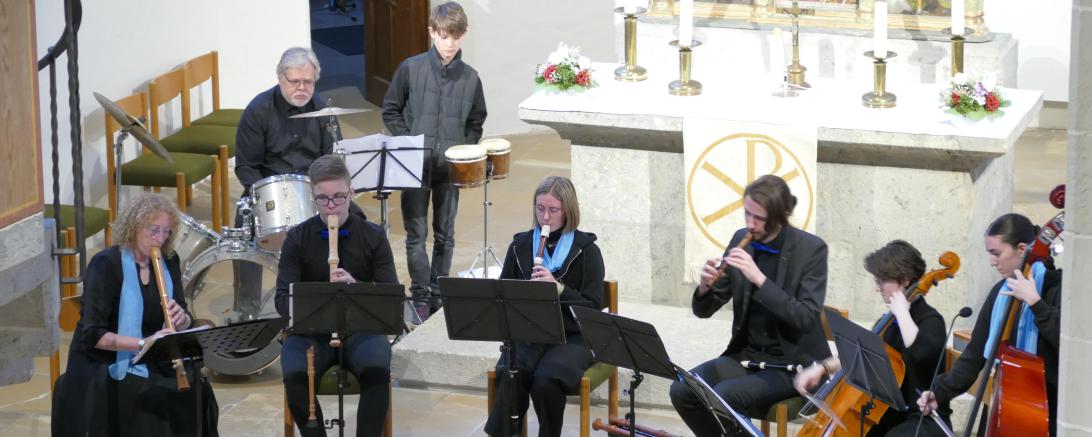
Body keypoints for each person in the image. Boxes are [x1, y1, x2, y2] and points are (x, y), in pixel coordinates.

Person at [668, 174, 830, 436]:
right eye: (747, 214)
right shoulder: (740, 239)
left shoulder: (811, 250)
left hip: (794, 366)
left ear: (779, 217)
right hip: (748, 356)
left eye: (759, 218)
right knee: (683, 390)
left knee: (725, 396)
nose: (750, 224)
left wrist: (759, 279)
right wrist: (705, 287)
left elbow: (806, 318)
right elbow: (704, 310)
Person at [51, 193, 218, 437]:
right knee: (151, 397)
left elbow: (182, 311)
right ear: (134, 227)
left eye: (167, 232)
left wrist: (183, 319)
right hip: (104, 359)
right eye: (154, 230)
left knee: (195, 387)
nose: (160, 238)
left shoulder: (169, 260)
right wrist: (142, 344)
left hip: (152, 351)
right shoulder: (105, 265)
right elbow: (93, 335)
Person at [233, 46, 364, 319]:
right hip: (269, 192)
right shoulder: (258, 110)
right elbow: (246, 166)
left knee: (357, 219)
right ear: (280, 78)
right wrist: (266, 197)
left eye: (308, 81)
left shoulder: (324, 111)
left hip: (314, 192)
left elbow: (333, 161)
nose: (302, 88)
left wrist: (326, 192)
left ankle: (348, 295)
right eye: (295, 81)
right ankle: (247, 309)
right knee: (243, 226)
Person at [276, 155, 398, 437]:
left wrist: (354, 287)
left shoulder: (373, 236)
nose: (331, 205)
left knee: (377, 372)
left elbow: (391, 296)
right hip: (310, 332)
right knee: (295, 376)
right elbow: (282, 300)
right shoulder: (297, 238)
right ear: (313, 197)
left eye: (339, 197)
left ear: (351, 192)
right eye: (323, 199)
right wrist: (316, 297)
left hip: (361, 330)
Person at [381, 0, 487, 321]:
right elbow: (391, 109)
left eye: (455, 36)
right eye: (443, 36)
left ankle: (439, 293)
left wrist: (463, 150)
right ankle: (420, 295)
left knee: (445, 234)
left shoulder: (471, 78)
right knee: (416, 235)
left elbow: (476, 120)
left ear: (464, 34)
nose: (449, 43)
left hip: (448, 170)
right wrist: (408, 141)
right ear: (431, 31)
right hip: (414, 166)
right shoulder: (410, 68)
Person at [917, 213, 1062, 437]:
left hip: (1050, 411)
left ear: (1022, 249)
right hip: (1005, 404)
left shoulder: (1057, 288)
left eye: (997, 253)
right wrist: (940, 393)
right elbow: (973, 356)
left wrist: (1036, 303)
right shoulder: (1000, 292)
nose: (992, 262)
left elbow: (1071, 348)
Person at [484, 176, 604, 437]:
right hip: (531, 332)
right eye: (540, 208)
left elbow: (593, 307)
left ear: (568, 210)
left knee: (546, 380)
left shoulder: (587, 250)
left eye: (553, 210)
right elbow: (502, 295)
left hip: (573, 336)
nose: (545, 217)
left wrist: (558, 289)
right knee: (511, 371)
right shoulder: (520, 246)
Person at [794, 240, 949, 436]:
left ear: (905, 280)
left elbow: (919, 353)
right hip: (887, 414)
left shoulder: (931, 321)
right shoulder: (889, 321)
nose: (878, 288)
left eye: (882, 281)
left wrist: (902, 313)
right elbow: (859, 356)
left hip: (921, 418)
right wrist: (822, 368)